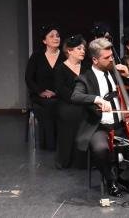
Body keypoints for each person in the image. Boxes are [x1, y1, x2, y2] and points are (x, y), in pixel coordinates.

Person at [71, 38, 129, 197]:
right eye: (107, 58)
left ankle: (125, 177)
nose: (111, 59)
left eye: (112, 56)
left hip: (121, 124)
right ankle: (110, 179)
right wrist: (97, 99)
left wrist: (128, 76)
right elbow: (75, 96)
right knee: (100, 148)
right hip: (100, 127)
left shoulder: (115, 72)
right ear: (95, 60)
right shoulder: (85, 78)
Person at [25, 24, 64, 150]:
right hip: (40, 95)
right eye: (51, 36)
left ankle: (60, 142)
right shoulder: (36, 56)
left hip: (60, 94)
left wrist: (56, 92)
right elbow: (29, 78)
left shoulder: (65, 56)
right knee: (48, 105)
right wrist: (40, 91)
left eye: (57, 36)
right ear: (44, 41)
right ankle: (50, 143)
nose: (56, 38)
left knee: (58, 104)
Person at [53, 34, 87, 169]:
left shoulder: (87, 68)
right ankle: (65, 159)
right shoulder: (60, 69)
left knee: (89, 113)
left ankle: (83, 161)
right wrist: (78, 98)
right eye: (79, 48)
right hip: (67, 103)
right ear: (69, 51)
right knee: (71, 114)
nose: (83, 51)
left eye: (83, 49)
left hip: (84, 102)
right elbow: (61, 90)